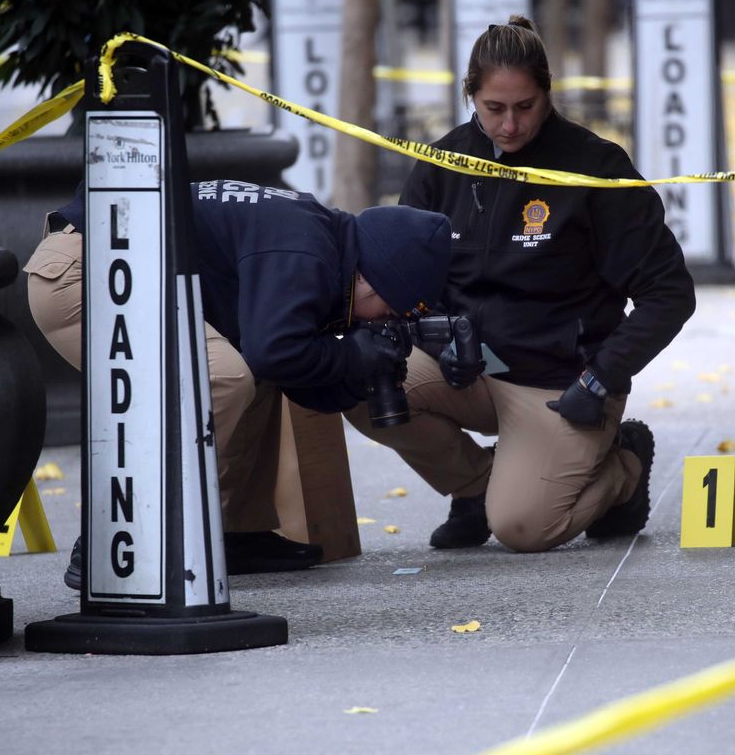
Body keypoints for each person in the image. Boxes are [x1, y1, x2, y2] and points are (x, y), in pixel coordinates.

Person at [345, 17, 696, 553]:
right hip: (463, 367)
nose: (509, 126)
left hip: (562, 381)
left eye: (525, 107)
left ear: (547, 93)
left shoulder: (596, 168)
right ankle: (476, 487)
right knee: (356, 380)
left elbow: (670, 294)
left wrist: (601, 379)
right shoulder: (440, 165)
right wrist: (433, 331)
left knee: (523, 529)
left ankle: (623, 466)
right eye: (494, 109)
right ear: (471, 96)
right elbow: (397, 279)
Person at [24, 179, 452, 587]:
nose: (383, 322)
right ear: (370, 275)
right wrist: (353, 355)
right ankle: (117, 536)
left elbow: (290, 372)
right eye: (390, 311)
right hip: (85, 275)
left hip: (117, 267)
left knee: (251, 371)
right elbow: (275, 351)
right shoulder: (306, 250)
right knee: (221, 376)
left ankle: (231, 533)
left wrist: (359, 374)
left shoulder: (325, 245)